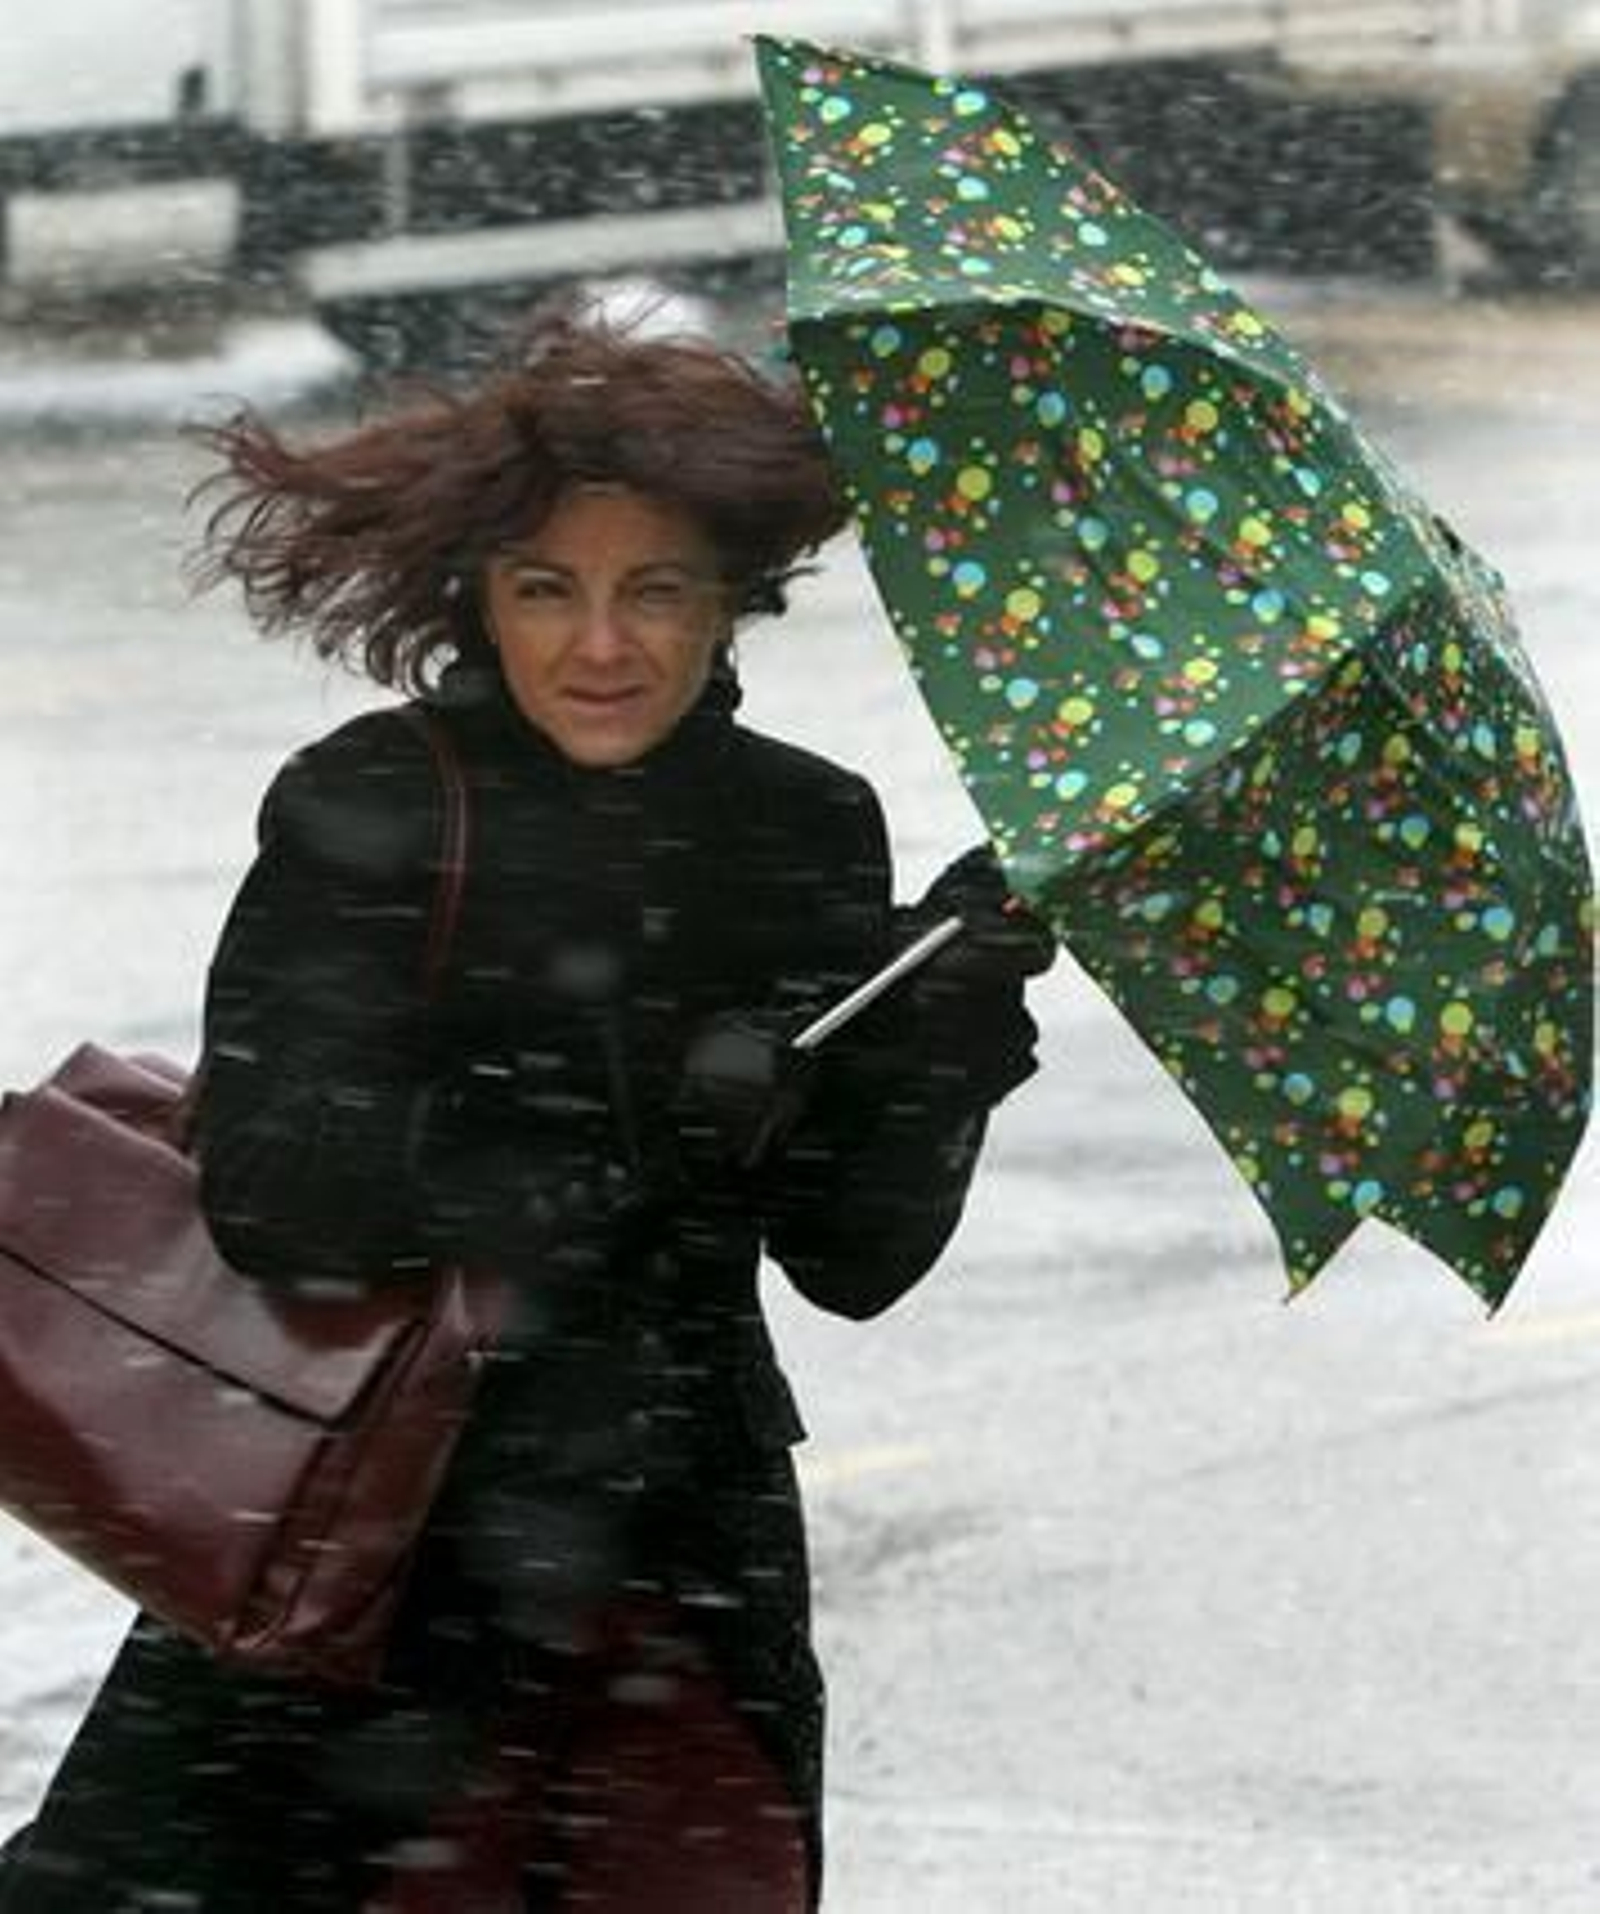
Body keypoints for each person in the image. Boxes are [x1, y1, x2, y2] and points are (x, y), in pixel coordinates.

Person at [0, 313, 1053, 1912]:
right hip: (380, 1543)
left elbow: (855, 1252)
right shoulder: (381, 802)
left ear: (733, 603)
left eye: (656, 590)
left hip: (685, 1561)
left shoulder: (803, 826)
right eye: (548, 589)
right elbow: (276, 1188)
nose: (601, 646)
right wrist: (634, 1123)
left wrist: (943, 1016)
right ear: (480, 600)